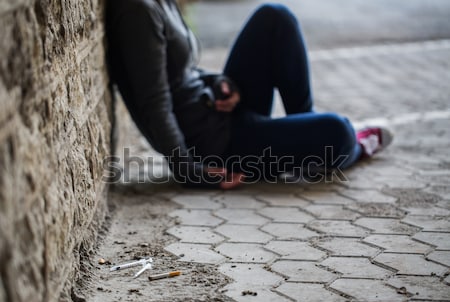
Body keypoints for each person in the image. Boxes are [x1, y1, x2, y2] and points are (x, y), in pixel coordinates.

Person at [105, 0, 393, 189]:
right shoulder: (137, 11)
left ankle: (305, 128)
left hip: (220, 109)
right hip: (217, 146)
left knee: (275, 18)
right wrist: (191, 171)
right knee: (338, 133)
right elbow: (154, 102)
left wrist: (220, 82)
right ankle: (354, 145)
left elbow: (184, 73)